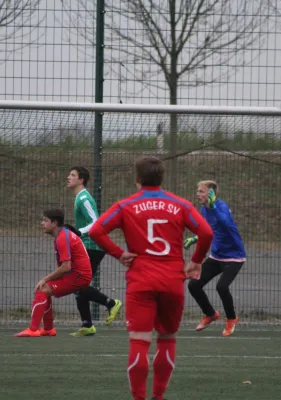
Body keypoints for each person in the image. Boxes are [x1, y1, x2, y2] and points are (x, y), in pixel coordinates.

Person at [89, 156, 213, 400]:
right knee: (167, 337)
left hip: (141, 281)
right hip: (172, 280)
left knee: (139, 340)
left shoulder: (126, 205)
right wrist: (196, 261)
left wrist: (118, 253)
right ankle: (158, 396)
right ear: (161, 178)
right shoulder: (180, 204)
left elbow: (96, 230)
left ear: (137, 179)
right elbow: (206, 232)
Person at [14, 209, 93, 337]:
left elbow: (66, 267)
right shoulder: (62, 235)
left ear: (55, 223)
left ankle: (33, 330)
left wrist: (45, 279)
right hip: (76, 274)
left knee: (42, 288)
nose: (42, 223)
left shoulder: (62, 237)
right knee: (45, 289)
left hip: (78, 276)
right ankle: (48, 329)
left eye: (45, 220)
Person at [184, 180, 247, 337]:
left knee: (222, 287)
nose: (198, 194)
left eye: (202, 191)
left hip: (234, 257)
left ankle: (232, 318)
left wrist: (213, 208)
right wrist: (195, 238)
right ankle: (210, 314)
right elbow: (208, 230)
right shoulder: (203, 209)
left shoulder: (221, 207)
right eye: (198, 191)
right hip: (216, 256)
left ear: (211, 194)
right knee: (193, 285)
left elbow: (225, 224)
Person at [67, 166, 122, 337]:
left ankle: (111, 303)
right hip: (88, 246)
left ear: (81, 180)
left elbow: (96, 222)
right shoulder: (79, 197)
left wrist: (80, 232)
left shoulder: (83, 198)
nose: (68, 177)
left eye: (72, 175)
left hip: (93, 246)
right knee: (78, 285)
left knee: (78, 284)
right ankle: (87, 325)